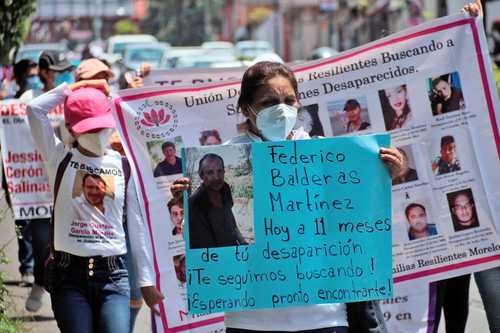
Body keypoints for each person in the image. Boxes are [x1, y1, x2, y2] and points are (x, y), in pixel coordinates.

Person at [173, 61, 406, 333]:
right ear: (246, 108)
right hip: (251, 320)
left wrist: (388, 172)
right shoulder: (222, 159)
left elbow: (357, 220)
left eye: (288, 100)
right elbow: (210, 239)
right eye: (269, 102)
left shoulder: (328, 155)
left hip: (324, 318)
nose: (280, 110)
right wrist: (186, 202)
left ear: (299, 103)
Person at [27, 80, 163, 332]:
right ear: (71, 129)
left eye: (102, 127)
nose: (98, 134)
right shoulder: (59, 158)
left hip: (114, 277)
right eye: (89, 129)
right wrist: (69, 89)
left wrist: (145, 281)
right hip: (68, 278)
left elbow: (137, 226)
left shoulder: (124, 166)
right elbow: (34, 109)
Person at [189, 153, 247, 249]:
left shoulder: (225, 188)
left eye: (219, 171)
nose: (216, 177)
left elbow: (230, 218)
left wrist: (242, 242)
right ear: (201, 175)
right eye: (210, 172)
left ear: (224, 172)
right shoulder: (194, 203)